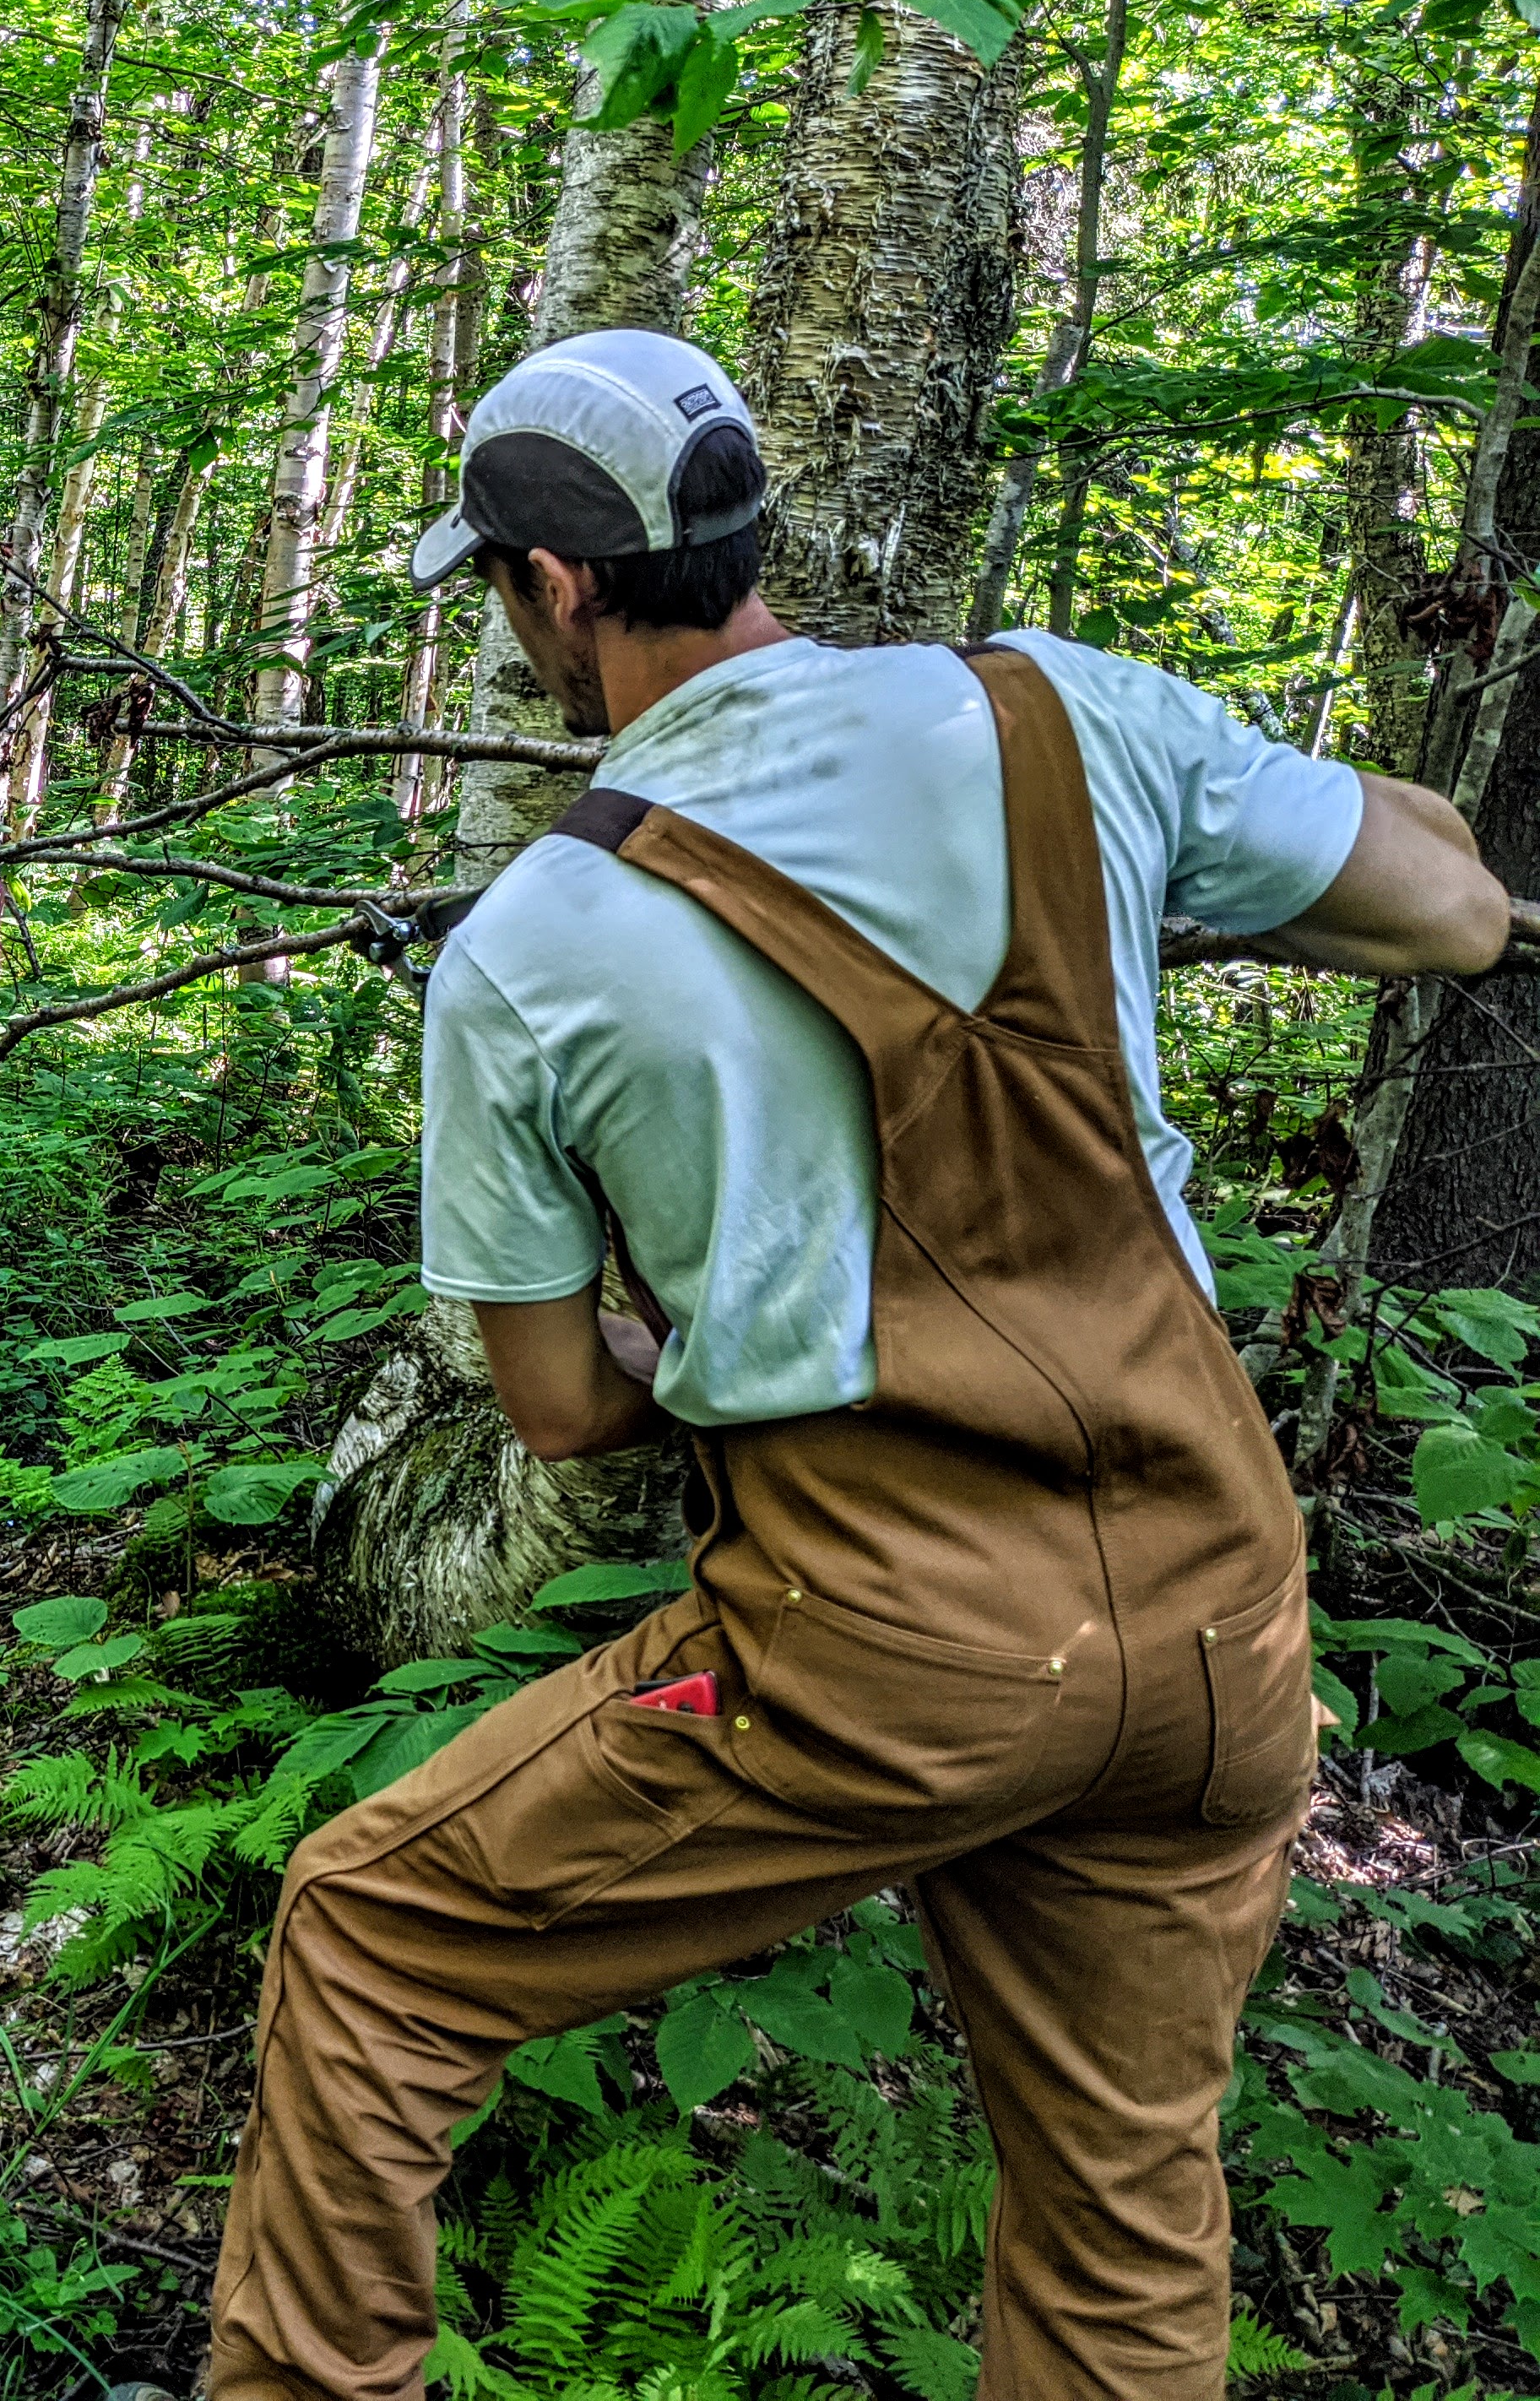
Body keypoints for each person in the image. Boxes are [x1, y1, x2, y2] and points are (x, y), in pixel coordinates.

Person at [189, 329, 1512, 2401]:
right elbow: (1447, 905)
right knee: (1121, 2210)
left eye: (500, 594)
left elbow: (561, 1417)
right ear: (747, 529)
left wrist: (668, 1339)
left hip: (881, 1642)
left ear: (551, 589)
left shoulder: (533, 946)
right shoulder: (1060, 715)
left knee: (372, 1936)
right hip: (1218, 1627)